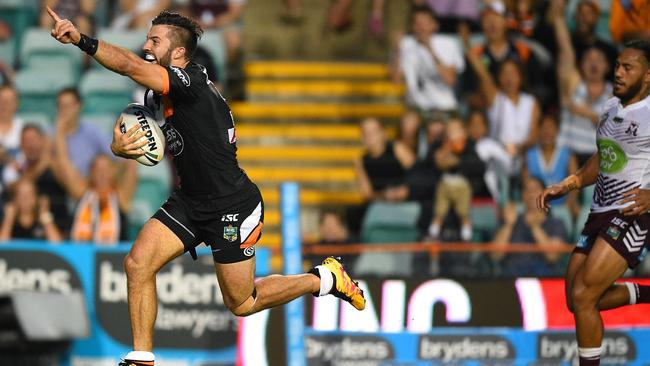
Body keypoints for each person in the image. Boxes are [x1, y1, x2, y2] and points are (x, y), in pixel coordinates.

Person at [46, 8, 365, 366]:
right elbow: (138, 136)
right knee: (137, 263)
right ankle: (142, 357)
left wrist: (82, 41)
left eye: (155, 41)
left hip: (232, 205)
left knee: (242, 303)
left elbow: (131, 66)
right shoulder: (157, 97)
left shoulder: (190, 82)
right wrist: (117, 147)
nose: (147, 46)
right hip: (190, 200)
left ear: (178, 53)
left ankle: (322, 278)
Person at [538, 40, 650, 366]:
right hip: (599, 210)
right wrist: (569, 182)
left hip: (633, 212)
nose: (617, 72)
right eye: (617, 65)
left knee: (586, 294)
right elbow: (605, 157)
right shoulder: (609, 107)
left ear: (647, 75)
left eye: (627, 67)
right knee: (576, 298)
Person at [552, 0, 612, 168]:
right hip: (567, 155)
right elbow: (566, 50)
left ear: (607, 67)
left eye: (598, 60)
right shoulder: (573, 85)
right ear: (581, 66)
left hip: (597, 160)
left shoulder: (613, 93)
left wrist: (584, 112)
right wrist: (557, 17)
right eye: (589, 59)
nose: (593, 63)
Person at [493, 176, 569, 277]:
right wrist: (508, 225)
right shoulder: (511, 220)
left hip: (543, 278)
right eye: (527, 190)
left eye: (535, 189)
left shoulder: (557, 224)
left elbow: (552, 256)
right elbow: (495, 255)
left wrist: (535, 227)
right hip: (510, 278)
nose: (531, 194)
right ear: (522, 195)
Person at [3, 124, 72, 233]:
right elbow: (13, 188)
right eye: (26, 141)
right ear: (21, 145)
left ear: (43, 141)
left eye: (34, 139)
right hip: (21, 234)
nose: (31, 145)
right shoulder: (15, 170)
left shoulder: (55, 168)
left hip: (58, 233)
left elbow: (75, 189)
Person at [399, 6, 465, 116]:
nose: (420, 27)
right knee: (408, 124)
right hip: (416, 108)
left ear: (434, 25)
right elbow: (396, 80)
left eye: (423, 23)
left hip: (444, 106)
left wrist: (430, 50)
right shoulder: (406, 44)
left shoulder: (448, 44)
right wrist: (398, 52)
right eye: (416, 23)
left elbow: (450, 80)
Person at [55, 87, 113, 177]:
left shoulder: (92, 132)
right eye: (60, 106)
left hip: (88, 185)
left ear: (79, 106)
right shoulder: (49, 134)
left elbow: (115, 155)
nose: (63, 111)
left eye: (67, 106)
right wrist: (59, 133)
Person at [355, 117, 416, 202]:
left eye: (374, 131)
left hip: (409, 202)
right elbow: (367, 194)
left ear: (384, 133)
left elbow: (418, 175)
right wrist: (385, 195)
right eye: (366, 132)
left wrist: (404, 192)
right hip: (381, 205)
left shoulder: (398, 149)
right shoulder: (361, 161)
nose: (370, 136)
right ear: (362, 138)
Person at [0, 178, 62, 242]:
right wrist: (9, 218)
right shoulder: (9, 222)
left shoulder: (42, 221)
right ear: (14, 199)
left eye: (30, 194)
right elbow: (2, 245)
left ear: (36, 197)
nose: (26, 198)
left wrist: (44, 213)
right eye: (21, 195)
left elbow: (57, 243)